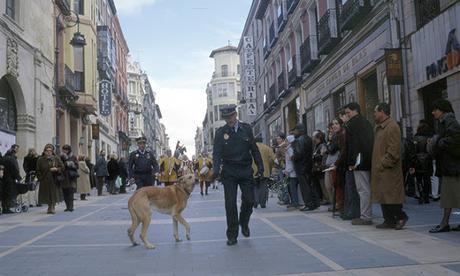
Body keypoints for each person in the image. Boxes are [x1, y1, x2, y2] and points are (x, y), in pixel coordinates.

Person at [213, 104, 263, 246]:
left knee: (250, 200)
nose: (229, 120)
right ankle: (232, 234)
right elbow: (216, 153)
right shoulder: (220, 133)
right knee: (230, 204)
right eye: (226, 118)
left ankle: (244, 221)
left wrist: (260, 166)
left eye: (231, 116)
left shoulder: (246, 129)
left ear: (236, 115)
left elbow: (254, 149)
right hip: (229, 171)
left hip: (245, 169)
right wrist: (216, 170)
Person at [371, 103, 408, 230]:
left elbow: (394, 150)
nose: (374, 114)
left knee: (391, 196)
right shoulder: (379, 127)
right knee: (383, 196)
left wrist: (383, 163)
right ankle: (389, 220)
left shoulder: (392, 126)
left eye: (375, 111)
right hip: (380, 169)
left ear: (382, 112)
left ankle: (401, 217)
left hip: (388, 170)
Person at [428, 99, 460, 233]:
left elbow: (455, 139)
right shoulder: (444, 121)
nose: (433, 112)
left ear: (442, 110)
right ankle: (444, 223)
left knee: (448, 196)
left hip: (452, 166)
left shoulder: (449, 120)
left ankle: (444, 223)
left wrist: (437, 142)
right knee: (452, 195)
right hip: (450, 165)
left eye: (435, 110)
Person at [344, 102, 374, 225]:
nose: (347, 115)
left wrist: (352, 162)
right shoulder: (365, 122)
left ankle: (366, 216)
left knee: (363, 189)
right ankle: (365, 214)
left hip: (359, 161)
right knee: (364, 188)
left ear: (355, 110)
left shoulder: (353, 124)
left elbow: (354, 145)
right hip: (366, 159)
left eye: (348, 112)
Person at [292, 123, 319, 211]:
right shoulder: (308, 139)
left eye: (295, 130)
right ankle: (315, 202)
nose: (294, 132)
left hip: (301, 167)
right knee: (310, 185)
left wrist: (293, 157)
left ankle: (309, 204)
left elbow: (299, 154)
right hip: (308, 165)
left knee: (305, 186)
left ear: (299, 130)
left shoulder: (298, 140)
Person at [409, 120, 434, 204]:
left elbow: (413, 152)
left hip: (417, 161)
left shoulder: (415, 138)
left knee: (419, 179)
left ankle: (421, 195)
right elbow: (431, 151)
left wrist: (412, 163)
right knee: (427, 179)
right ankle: (426, 196)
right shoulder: (429, 138)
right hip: (427, 161)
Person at [37, 144, 64, 214]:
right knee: (47, 194)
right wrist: (40, 178)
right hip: (45, 180)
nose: (49, 152)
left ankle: (52, 207)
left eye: (50, 151)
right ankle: (49, 206)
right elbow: (38, 170)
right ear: (44, 151)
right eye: (47, 151)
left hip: (54, 179)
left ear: (52, 152)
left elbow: (62, 167)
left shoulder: (56, 158)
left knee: (53, 193)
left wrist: (57, 169)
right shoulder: (40, 159)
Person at [252, 138, 275, 208]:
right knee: (263, 186)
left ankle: (255, 202)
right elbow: (272, 159)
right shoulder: (267, 148)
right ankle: (262, 203)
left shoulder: (251, 148)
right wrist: (269, 166)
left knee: (254, 186)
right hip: (265, 170)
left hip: (253, 171)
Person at [2, 145, 21, 214]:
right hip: (10, 179)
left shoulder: (4, 157)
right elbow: (14, 170)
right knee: (9, 193)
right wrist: (19, 178)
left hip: (3, 178)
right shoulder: (12, 159)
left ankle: (4, 207)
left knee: (4, 193)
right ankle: (6, 208)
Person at [312, 130, 329, 205]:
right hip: (316, 168)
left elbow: (322, 156)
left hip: (320, 168)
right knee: (319, 184)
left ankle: (326, 198)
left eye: (315, 138)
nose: (314, 139)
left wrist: (314, 156)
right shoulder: (317, 146)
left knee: (323, 184)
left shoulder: (322, 145)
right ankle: (322, 198)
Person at [61, 144, 78, 212]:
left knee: (70, 192)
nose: (65, 151)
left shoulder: (73, 157)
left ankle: (71, 207)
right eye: (64, 149)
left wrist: (70, 164)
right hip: (64, 176)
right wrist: (64, 164)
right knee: (65, 192)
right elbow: (59, 165)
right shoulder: (60, 156)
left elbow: (77, 166)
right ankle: (67, 206)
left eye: (66, 149)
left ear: (69, 150)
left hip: (71, 177)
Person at [284, 135, 300, 209]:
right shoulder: (288, 149)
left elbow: (292, 162)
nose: (285, 142)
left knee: (293, 188)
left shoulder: (290, 149)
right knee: (292, 188)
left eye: (286, 140)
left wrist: (288, 171)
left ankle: (295, 202)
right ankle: (294, 202)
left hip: (292, 172)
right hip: (291, 172)